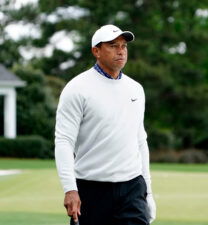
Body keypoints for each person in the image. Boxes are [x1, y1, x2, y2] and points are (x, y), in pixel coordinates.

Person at [54, 24, 156, 225]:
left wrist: (148, 192)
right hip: (91, 190)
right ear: (96, 51)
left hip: (132, 189)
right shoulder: (76, 88)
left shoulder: (136, 89)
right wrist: (70, 189)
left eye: (124, 46)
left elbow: (140, 141)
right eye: (113, 45)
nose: (120, 50)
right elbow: (64, 140)